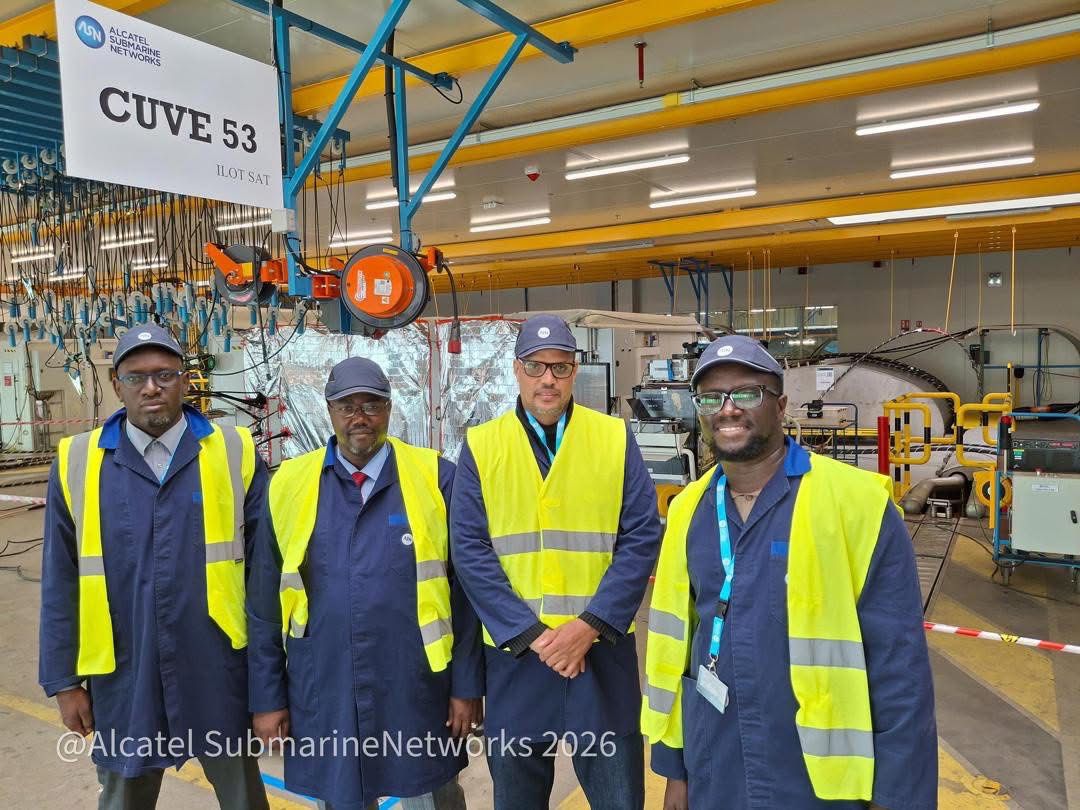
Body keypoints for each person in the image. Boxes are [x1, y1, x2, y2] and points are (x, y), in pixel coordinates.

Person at [643, 334, 937, 810]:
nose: (727, 409)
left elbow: (899, 668)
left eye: (746, 393)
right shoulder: (688, 510)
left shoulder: (856, 505)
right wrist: (674, 767)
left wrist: (897, 796)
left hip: (822, 783)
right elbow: (673, 651)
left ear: (780, 406)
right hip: (715, 764)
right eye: (711, 398)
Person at [39, 323, 270, 809]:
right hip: (125, 669)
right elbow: (60, 579)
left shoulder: (234, 451)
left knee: (242, 796)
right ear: (116, 384)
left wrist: (270, 686)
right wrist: (63, 681)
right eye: (136, 376)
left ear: (185, 381)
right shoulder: (77, 461)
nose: (151, 387)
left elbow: (265, 575)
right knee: (124, 794)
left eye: (165, 374)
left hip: (219, 666)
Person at [247, 356, 483, 810]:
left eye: (372, 405)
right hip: (326, 682)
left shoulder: (436, 478)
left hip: (416, 684)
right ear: (329, 411)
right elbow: (263, 606)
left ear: (389, 409)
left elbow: (466, 596)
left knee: (430, 794)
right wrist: (268, 699)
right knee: (341, 796)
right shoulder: (290, 484)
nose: (360, 417)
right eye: (347, 406)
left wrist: (466, 687)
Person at [450, 314, 662, 810]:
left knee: (619, 797)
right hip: (518, 657)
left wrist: (590, 625)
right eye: (536, 366)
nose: (548, 378)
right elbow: (470, 549)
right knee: (517, 798)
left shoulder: (613, 438)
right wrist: (532, 636)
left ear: (574, 372)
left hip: (599, 653)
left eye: (560, 367)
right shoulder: (482, 445)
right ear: (517, 369)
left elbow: (641, 535)